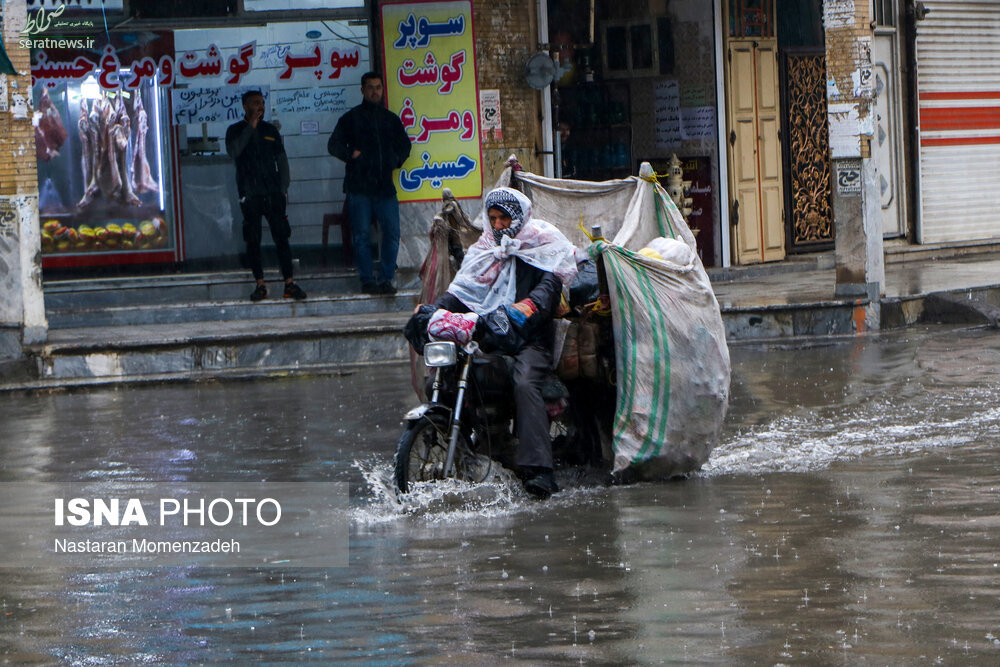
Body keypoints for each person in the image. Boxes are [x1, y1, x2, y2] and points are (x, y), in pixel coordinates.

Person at [432, 187, 578, 498]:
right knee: (453, 370)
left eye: (504, 219)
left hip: (531, 341)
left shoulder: (543, 246)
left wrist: (517, 314)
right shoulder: (484, 250)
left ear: (519, 218)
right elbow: (461, 292)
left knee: (525, 383)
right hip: (489, 336)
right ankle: (471, 443)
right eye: (493, 218)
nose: (498, 225)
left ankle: (540, 471)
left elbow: (545, 295)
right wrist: (434, 311)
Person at [328, 72, 412, 295]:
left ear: (382, 90)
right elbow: (333, 145)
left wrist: (395, 160)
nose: (375, 91)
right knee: (362, 236)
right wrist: (350, 154)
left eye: (378, 87)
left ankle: (386, 279)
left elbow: (405, 145)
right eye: (370, 87)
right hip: (359, 188)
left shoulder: (390, 119)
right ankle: (367, 280)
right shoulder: (352, 118)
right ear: (362, 90)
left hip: (384, 188)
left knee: (392, 234)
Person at [225, 90, 307, 302]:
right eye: (254, 103)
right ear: (245, 106)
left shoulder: (270, 130)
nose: (259, 106)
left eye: (261, 103)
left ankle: (289, 283)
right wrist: (250, 126)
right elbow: (234, 152)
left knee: (282, 238)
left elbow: (282, 160)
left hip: (272, 194)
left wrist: (283, 187)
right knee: (253, 240)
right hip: (250, 195)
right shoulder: (234, 130)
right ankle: (260, 284)